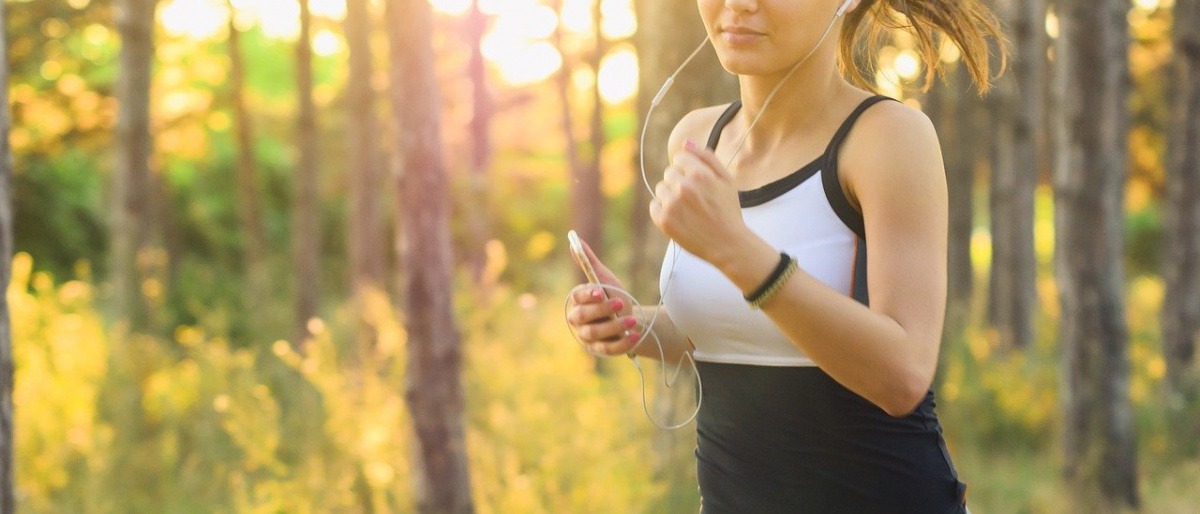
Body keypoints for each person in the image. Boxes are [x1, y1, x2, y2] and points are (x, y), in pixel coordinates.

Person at [566, 0, 1005, 512]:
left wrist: (738, 252)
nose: (739, 5)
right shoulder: (695, 139)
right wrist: (633, 324)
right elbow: (738, 331)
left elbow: (902, 375)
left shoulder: (887, 138)